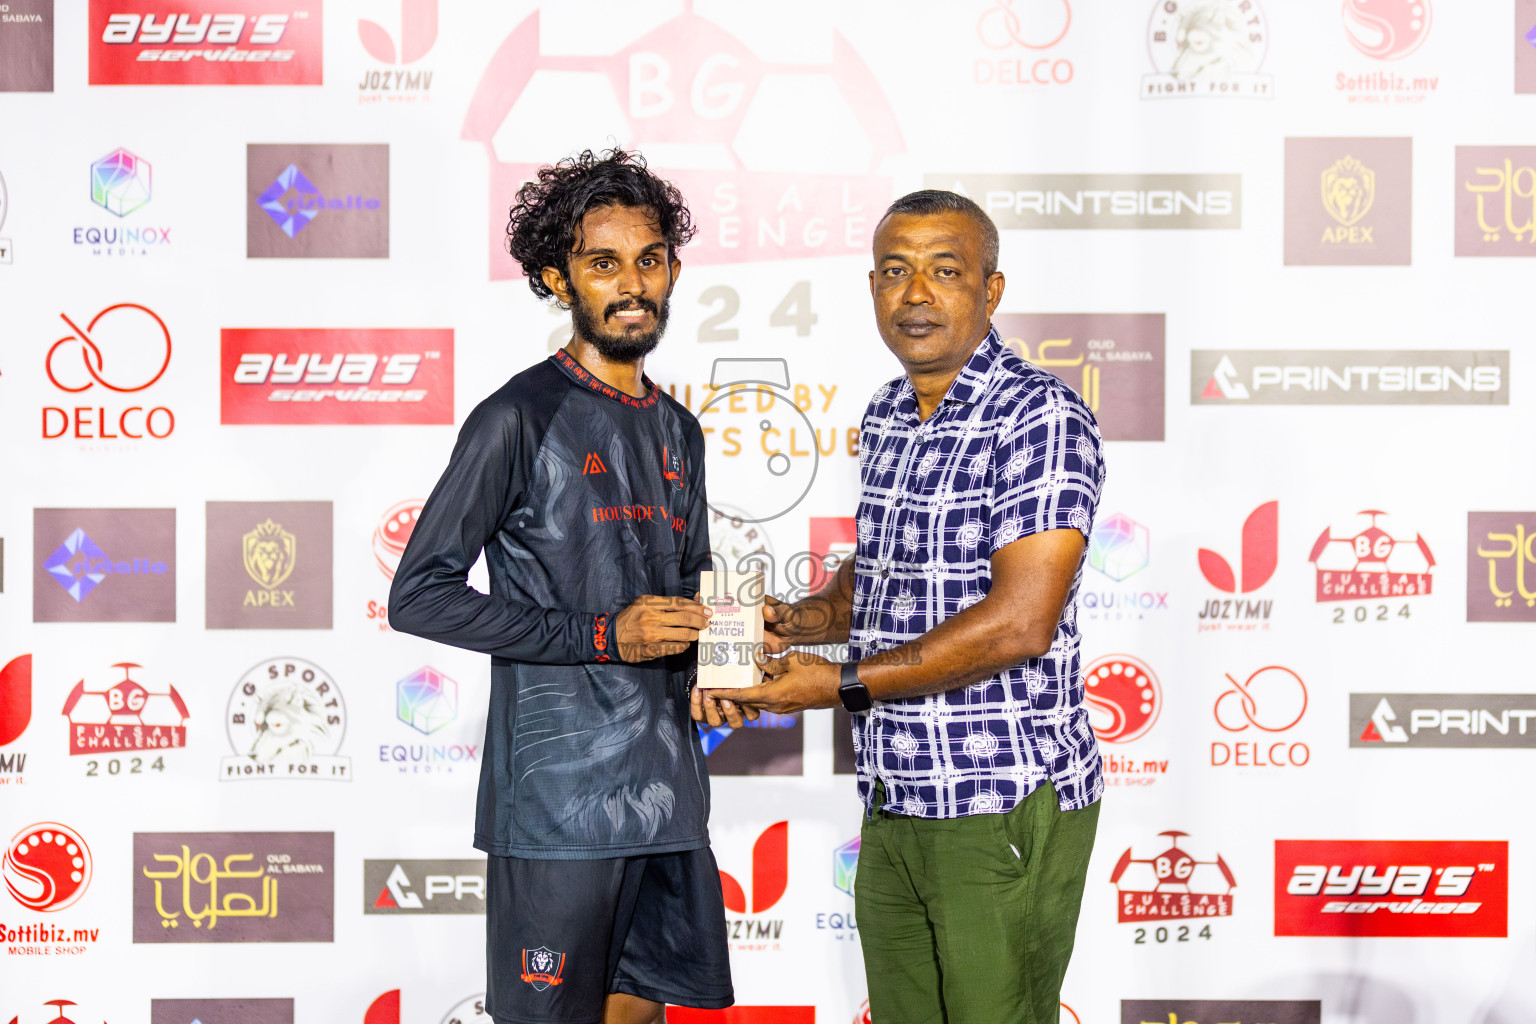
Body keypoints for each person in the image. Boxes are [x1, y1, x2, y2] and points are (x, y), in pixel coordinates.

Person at [714, 190, 1106, 1024]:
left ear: (991, 291)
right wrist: (805, 618)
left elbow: (1019, 621)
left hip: (998, 797)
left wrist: (838, 685)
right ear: (872, 288)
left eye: (944, 271)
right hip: (894, 797)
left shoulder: (1039, 415)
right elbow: (888, 571)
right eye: (896, 272)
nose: (916, 293)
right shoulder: (889, 413)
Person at [389, 148, 747, 1024]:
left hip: (666, 796)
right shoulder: (516, 417)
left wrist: (726, 666)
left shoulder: (679, 428)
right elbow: (419, 593)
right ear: (558, 278)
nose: (633, 285)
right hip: (557, 810)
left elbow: (694, 575)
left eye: (650, 259)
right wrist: (600, 635)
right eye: (603, 263)